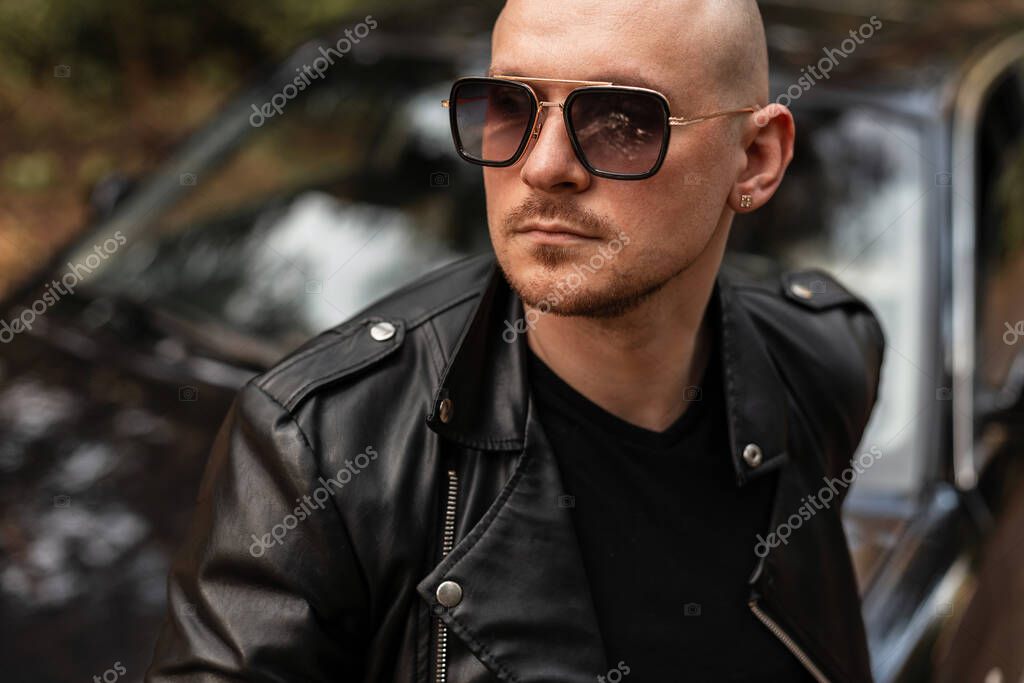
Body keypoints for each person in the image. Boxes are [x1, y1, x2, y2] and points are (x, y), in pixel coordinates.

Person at [147, 0, 885, 680]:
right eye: (509, 107)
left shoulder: (822, 357)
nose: (542, 166)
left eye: (621, 120)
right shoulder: (324, 449)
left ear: (754, 160)